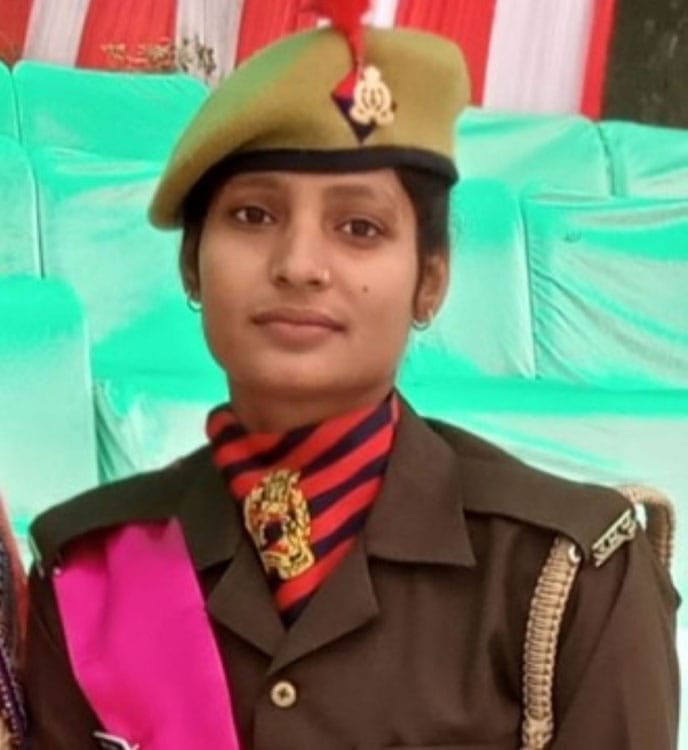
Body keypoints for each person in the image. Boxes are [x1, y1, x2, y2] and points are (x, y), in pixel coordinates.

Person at [25, 1, 679, 748]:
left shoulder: (567, 575)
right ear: (191, 266)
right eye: (252, 216)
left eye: (359, 227)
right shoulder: (91, 571)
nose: (299, 265)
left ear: (431, 281)